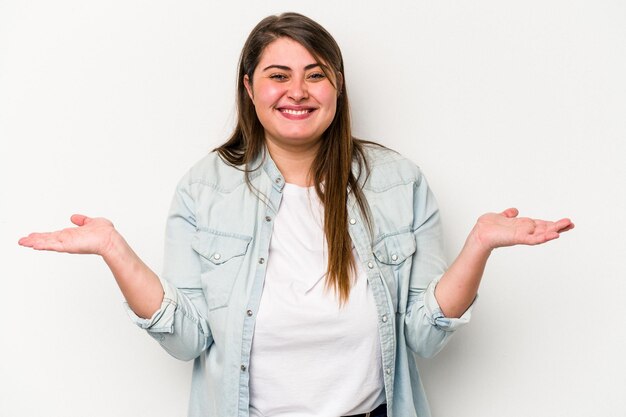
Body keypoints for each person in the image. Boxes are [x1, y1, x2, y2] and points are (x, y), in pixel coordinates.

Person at [18, 12, 573, 417]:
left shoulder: (398, 181)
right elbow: (187, 340)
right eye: (278, 75)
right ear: (250, 89)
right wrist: (114, 250)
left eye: (315, 74)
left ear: (336, 85)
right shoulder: (204, 188)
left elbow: (423, 338)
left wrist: (479, 244)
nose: (298, 91)